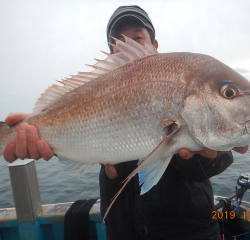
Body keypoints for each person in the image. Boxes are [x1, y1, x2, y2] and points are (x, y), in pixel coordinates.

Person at [2, 5, 249, 240]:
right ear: (110, 52)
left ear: (154, 44)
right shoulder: (101, 87)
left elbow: (218, 160)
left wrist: (206, 155)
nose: (126, 44)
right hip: (121, 231)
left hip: (189, 230)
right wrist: (36, 137)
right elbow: (76, 132)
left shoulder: (177, 76)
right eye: (117, 41)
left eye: (137, 37)